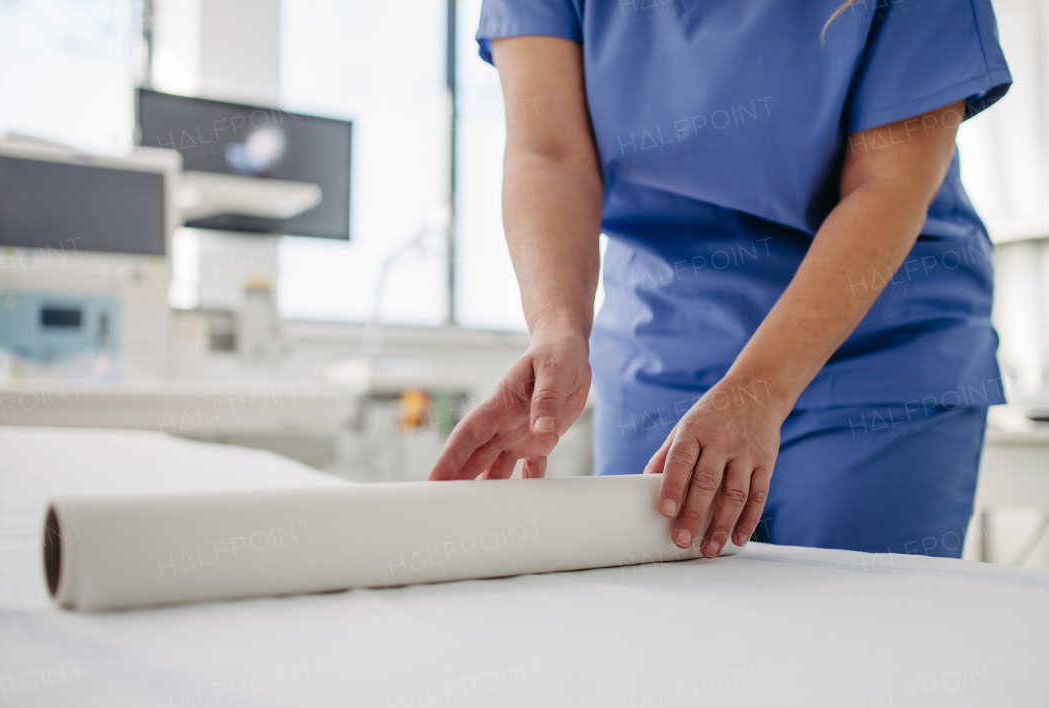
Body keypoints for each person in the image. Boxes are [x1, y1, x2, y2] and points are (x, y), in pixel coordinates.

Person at [429, 0, 1012, 561]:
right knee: (660, 632)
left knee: (849, 632)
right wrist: (556, 325)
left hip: (873, 345)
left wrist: (759, 388)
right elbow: (548, 153)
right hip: (663, 340)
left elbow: (887, 184)